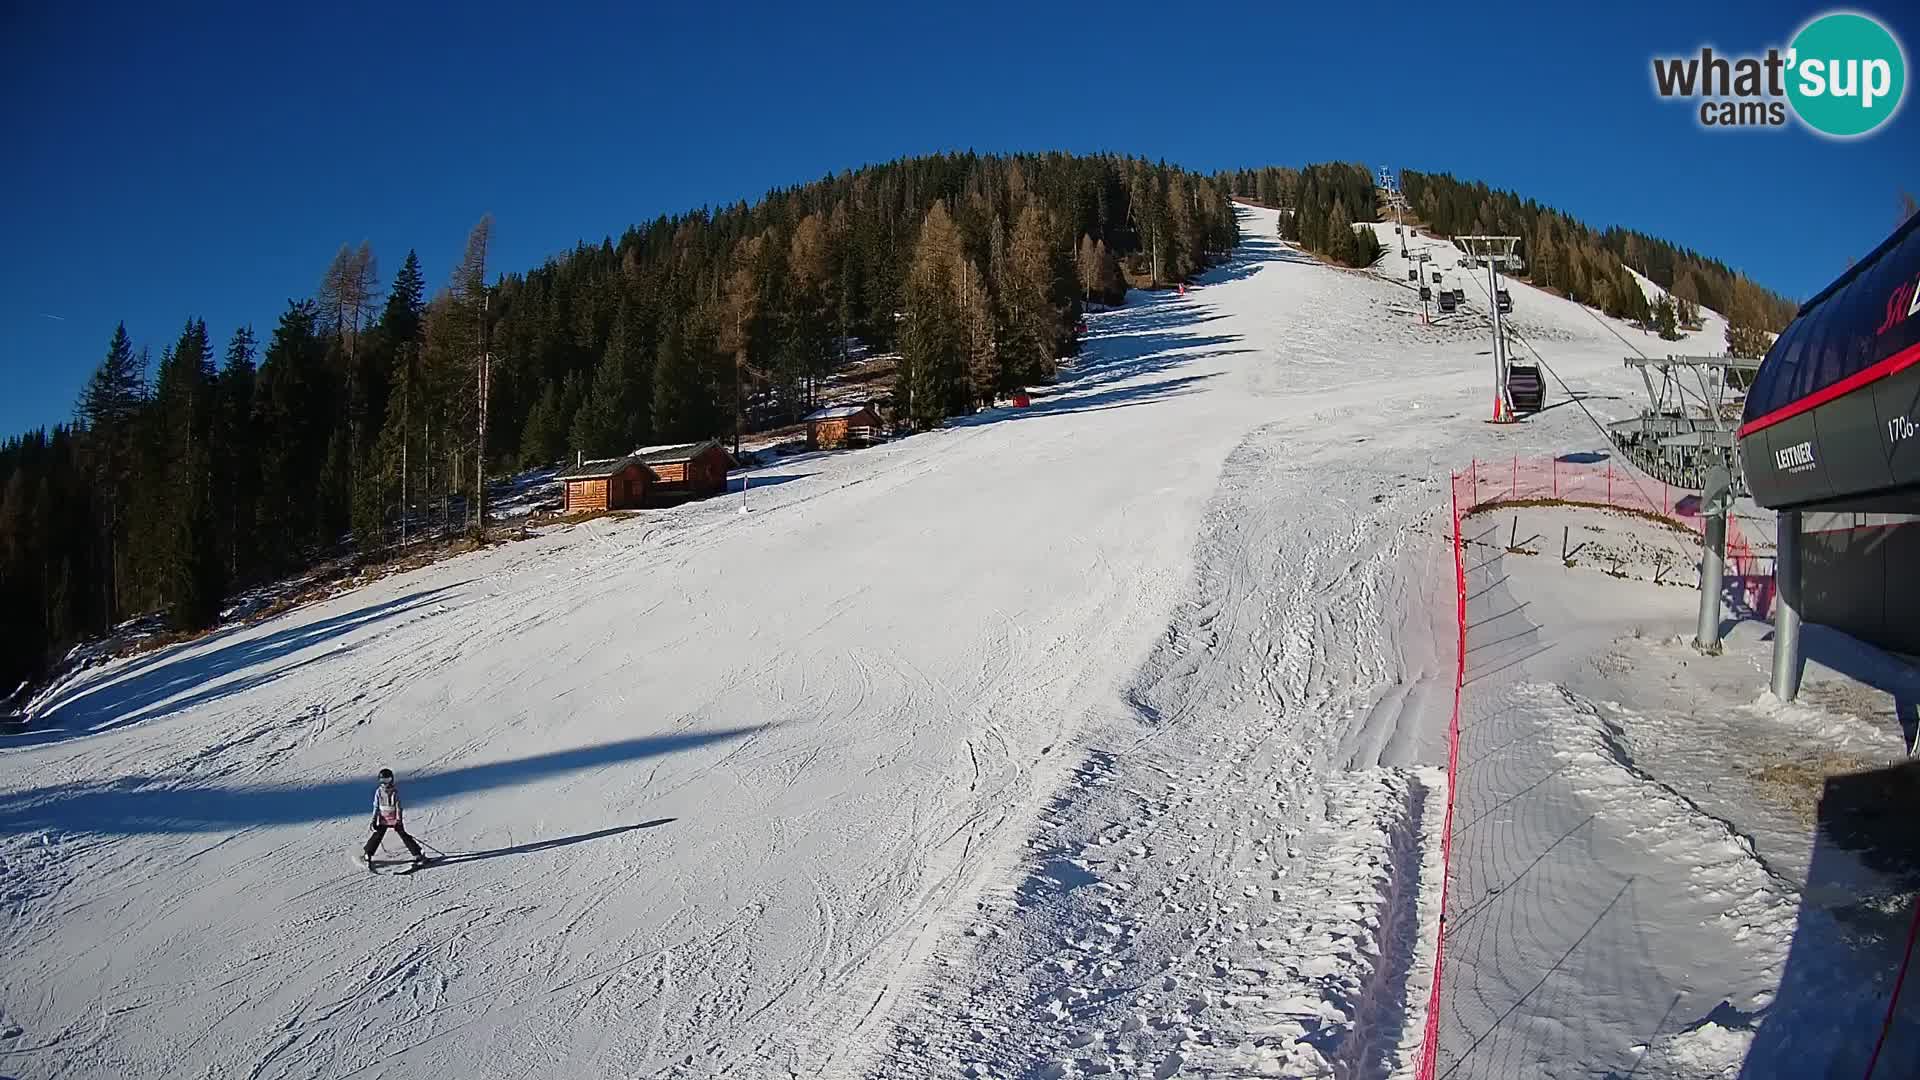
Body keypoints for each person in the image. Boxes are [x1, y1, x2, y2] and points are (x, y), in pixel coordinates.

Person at [364, 768, 427, 868]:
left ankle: (418, 853)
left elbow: (398, 808)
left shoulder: (394, 792)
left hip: (394, 819)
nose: (385, 783)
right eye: (383, 781)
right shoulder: (378, 792)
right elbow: (376, 806)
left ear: (391, 780)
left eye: (387, 780)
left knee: (403, 835)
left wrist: (399, 820)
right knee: (377, 836)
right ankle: (368, 853)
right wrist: (374, 819)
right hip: (383, 819)